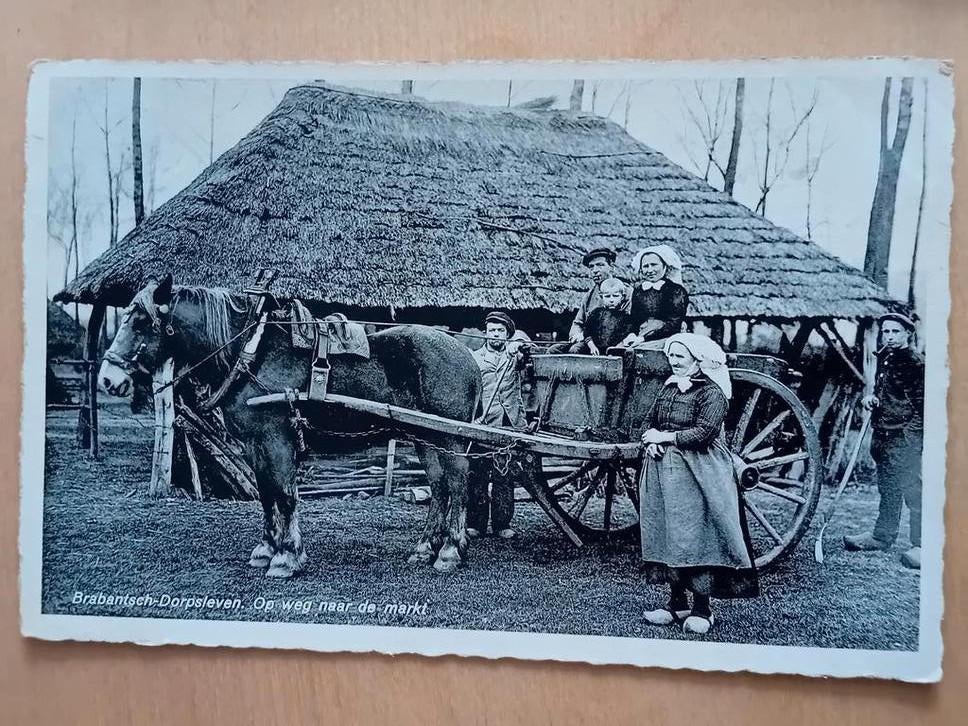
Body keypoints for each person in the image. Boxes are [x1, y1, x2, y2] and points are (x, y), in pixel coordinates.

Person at [637, 333, 758, 635]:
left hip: (701, 472)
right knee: (670, 535)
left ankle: (703, 609)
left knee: (697, 537)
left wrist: (665, 437)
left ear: (697, 360)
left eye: (680, 356)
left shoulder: (712, 392)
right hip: (665, 472)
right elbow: (649, 421)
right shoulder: (669, 387)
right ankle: (676, 604)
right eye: (671, 355)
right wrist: (650, 442)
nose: (673, 361)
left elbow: (704, 433)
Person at [844, 312, 924, 569]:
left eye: (895, 331)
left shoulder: (915, 363)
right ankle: (882, 536)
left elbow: (923, 407)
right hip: (883, 434)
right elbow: (885, 393)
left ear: (907, 334)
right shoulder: (885, 357)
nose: (889, 336)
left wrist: (910, 439)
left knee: (913, 491)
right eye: (886, 331)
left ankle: (922, 545)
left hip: (905, 438)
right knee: (888, 488)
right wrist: (871, 399)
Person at [467, 311, 527, 539]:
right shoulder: (474, 357)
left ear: (507, 334)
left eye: (500, 331)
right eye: (492, 330)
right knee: (478, 473)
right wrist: (474, 417)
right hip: (483, 420)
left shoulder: (515, 355)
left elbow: (527, 343)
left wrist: (517, 342)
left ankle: (502, 524)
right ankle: (476, 524)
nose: (495, 334)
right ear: (485, 333)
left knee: (504, 474)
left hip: (508, 421)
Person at [622, 245, 689, 349]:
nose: (650, 270)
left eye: (654, 265)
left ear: (664, 266)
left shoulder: (676, 291)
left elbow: (674, 324)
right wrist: (632, 334)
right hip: (641, 336)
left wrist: (644, 338)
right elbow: (634, 320)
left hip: (666, 337)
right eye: (646, 266)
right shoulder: (639, 291)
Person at [551, 277, 631, 355]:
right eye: (607, 296)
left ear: (622, 297)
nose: (611, 300)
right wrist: (592, 346)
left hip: (608, 349)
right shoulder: (596, 313)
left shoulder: (624, 317)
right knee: (558, 349)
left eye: (615, 296)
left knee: (575, 350)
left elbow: (623, 336)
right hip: (591, 345)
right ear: (602, 297)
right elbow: (587, 331)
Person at [568, 247, 621, 345]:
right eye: (591, 267)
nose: (595, 270)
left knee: (575, 350)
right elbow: (578, 323)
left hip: (609, 343)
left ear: (612, 267)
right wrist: (575, 335)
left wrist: (585, 336)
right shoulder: (590, 295)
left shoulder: (623, 291)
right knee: (554, 349)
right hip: (587, 341)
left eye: (600, 265)